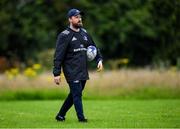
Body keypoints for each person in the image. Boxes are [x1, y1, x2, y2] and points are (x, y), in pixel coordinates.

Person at [53, 8, 103, 122]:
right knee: (77, 95)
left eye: (80, 16)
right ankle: (81, 118)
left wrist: (99, 60)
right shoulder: (64, 35)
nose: (79, 19)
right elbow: (58, 56)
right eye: (76, 17)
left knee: (75, 94)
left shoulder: (84, 33)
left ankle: (60, 115)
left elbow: (93, 47)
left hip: (83, 70)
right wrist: (56, 73)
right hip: (71, 70)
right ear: (70, 19)